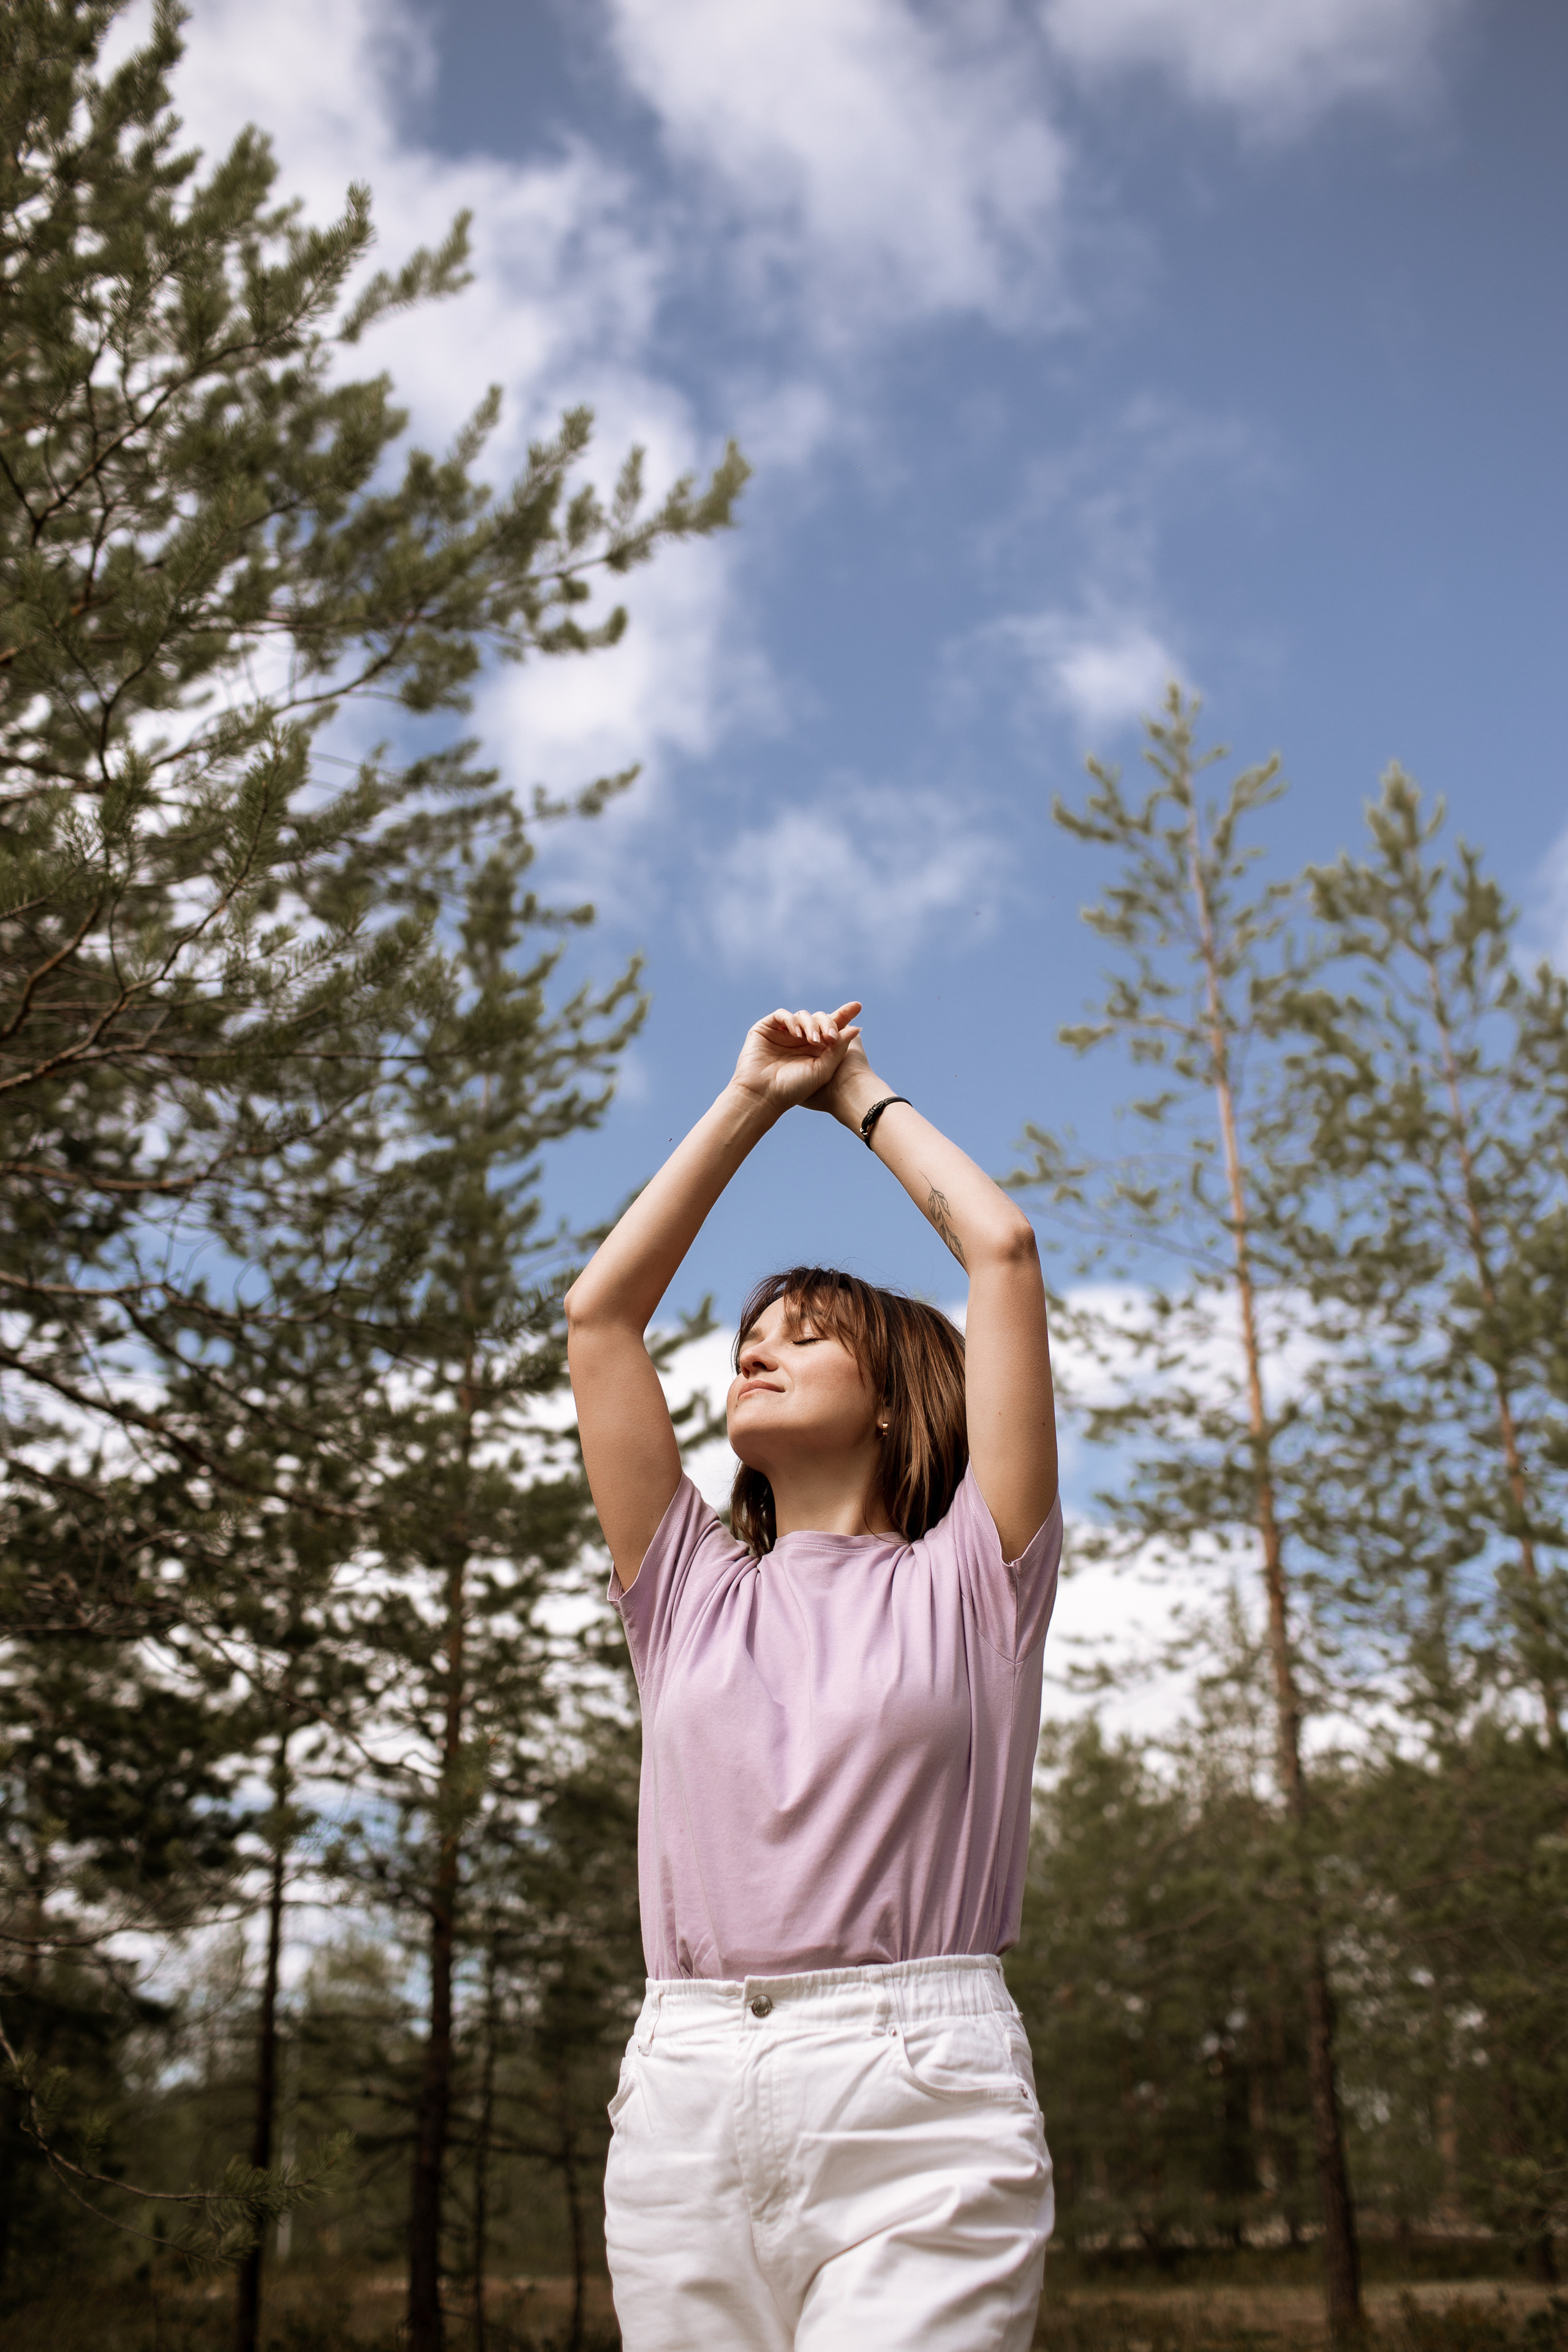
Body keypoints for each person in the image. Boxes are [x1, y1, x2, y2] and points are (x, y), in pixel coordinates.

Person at [564, 1000, 1061, 2352]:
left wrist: (845, 1093)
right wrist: (744, 1099)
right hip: (684, 2091)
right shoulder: (683, 1589)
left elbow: (1001, 1251)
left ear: (898, 1393)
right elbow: (600, 1318)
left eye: (802, 1332)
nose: (755, 1348)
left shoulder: (975, 1578)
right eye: (749, 1337)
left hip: (916, 2088)